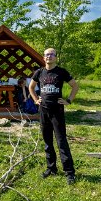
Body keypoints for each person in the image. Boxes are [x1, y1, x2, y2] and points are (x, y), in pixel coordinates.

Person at [29, 48, 79, 184]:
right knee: (47, 141)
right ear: (43, 58)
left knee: (61, 141)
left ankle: (69, 172)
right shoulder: (39, 72)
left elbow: (75, 86)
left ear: (56, 57)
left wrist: (68, 100)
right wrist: (35, 99)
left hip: (57, 111)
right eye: (46, 55)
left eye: (52, 54)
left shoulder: (61, 72)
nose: (49, 56)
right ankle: (51, 168)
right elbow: (31, 87)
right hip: (43, 111)